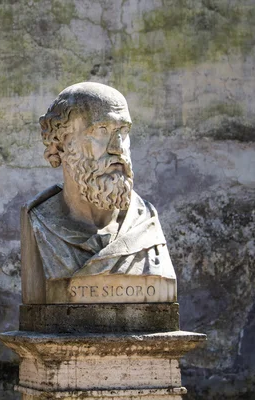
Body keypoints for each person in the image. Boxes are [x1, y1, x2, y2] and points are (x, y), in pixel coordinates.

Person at [21, 82, 175, 303]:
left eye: (123, 131)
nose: (118, 147)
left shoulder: (146, 223)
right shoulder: (39, 224)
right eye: (101, 130)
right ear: (60, 145)